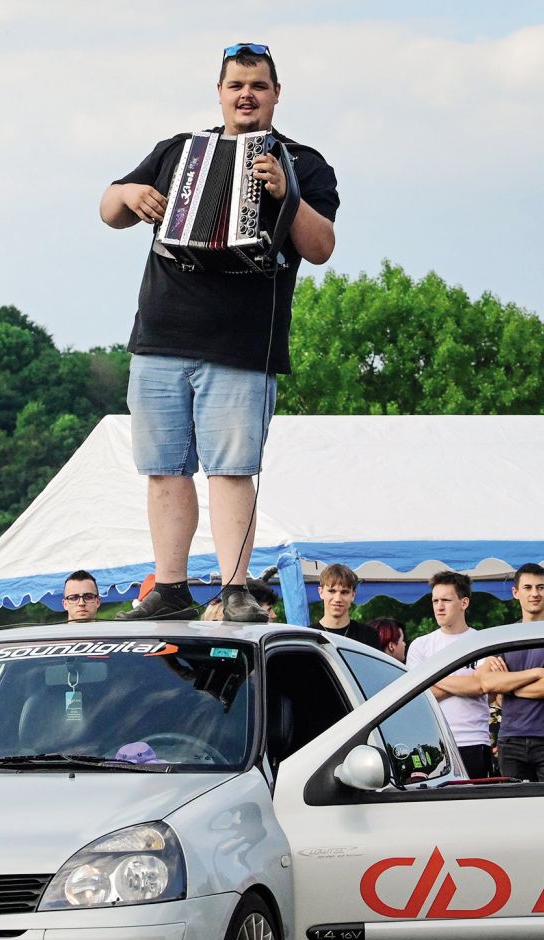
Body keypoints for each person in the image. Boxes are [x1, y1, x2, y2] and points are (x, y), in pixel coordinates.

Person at [101, 43, 338, 624]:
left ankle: (235, 586)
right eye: (236, 85)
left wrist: (288, 193)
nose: (246, 95)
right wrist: (130, 195)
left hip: (241, 346)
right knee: (163, 468)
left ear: (276, 94)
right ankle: (171, 585)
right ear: (221, 93)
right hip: (160, 336)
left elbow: (321, 246)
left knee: (232, 470)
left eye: (257, 85)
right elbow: (109, 209)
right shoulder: (180, 151)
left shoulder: (304, 163)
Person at [476, 563, 544, 783]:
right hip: (510, 741)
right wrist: (537, 673)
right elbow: (486, 683)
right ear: (516, 592)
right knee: (516, 815)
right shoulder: (504, 636)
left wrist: (509, 686)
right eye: (528, 587)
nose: (535, 593)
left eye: (540, 587)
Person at [405, 572, 493, 779]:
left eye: (446, 600)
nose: (439, 606)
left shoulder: (484, 641)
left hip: (473, 740)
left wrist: (429, 677)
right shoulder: (420, 645)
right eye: (435, 600)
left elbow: (481, 686)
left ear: (464, 603)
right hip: (432, 742)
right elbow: (417, 697)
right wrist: (466, 683)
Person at [310, 565, 381, 648]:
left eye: (344, 592)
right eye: (332, 591)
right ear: (321, 592)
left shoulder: (369, 635)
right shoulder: (308, 637)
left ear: (353, 595)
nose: (337, 599)